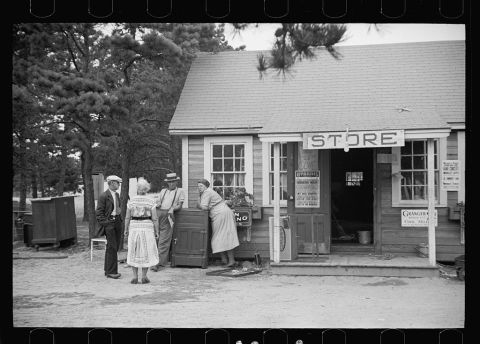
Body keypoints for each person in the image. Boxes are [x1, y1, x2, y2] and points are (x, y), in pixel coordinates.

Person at [196, 179, 239, 267]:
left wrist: (198, 204)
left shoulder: (207, 192)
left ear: (206, 186)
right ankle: (224, 260)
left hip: (221, 214)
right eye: (198, 186)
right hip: (220, 214)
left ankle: (231, 261)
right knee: (219, 237)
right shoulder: (207, 192)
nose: (199, 188)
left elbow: (204, 207)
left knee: (225, 236)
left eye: (201, 186)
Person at [124, 177, 159, 284]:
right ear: (147, 189)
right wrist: (157, 231)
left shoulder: (132, 201)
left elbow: (127, 217)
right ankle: (144, 276)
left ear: (138, 189)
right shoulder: (151, 201)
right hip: (147, 227)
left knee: (134, 250)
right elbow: (155, 218)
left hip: (134, 226)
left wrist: (126, 229)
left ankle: (135, 276)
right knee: (146, 250)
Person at [151, 172, 185, 271]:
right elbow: (158, 202)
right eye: (169, 182)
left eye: (173, 182)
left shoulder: (180, 191)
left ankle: (158, 263)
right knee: (155, 239)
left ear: (176, 182)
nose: (171, 184)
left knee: (164, 241)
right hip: (158, 214)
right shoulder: (163, 191)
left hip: (169, 215)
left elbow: (180, 205)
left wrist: (173, 209)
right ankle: (152, 261)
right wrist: (157, 203)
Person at [95, 175, 123, 279]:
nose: (118, 184)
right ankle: (112, 272)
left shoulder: (116, 195)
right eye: (117, 183)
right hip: (110, 223)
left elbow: (117, 208)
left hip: (117, 222)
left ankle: (108, 270)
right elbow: (99, 213)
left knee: (112, 247)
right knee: (112, 247)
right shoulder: (103, 196)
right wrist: (107, 224)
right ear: (111, 183)